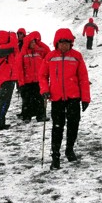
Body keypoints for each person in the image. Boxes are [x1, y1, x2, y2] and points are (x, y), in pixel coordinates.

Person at [39, 29, 91, 169]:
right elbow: (43, 76)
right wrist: (44, 90)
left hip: (74, 97)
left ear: (71, 43)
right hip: (57, 98)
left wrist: (85, 98)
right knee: (57, 127)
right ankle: (55, 156)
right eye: (62, 42)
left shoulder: (77, 56)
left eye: (67, 42)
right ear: (57, 43)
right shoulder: (50, 57)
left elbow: (83, 78)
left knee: (73, 125)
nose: (64, 45)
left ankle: (69, 149)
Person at [18, 30, 50, 123]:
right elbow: (20, 69)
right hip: (27, 82)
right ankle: (27, 117)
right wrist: (21, 82)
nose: (33, 43)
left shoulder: (39, 51)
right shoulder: (23, 54)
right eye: (32, 42)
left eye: (34, 42)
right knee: (27, 101)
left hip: (38, 81)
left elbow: (48, 51)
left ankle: (41, 116)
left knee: (40, 99)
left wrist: (39, 42)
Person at [0, 30, 19, 130]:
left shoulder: (1, 49)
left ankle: (0, 122)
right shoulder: (2, 49)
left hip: (7, 79)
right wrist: (13, 35)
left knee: (4, 102)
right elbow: (14, 47)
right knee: (4, 102)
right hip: (6, 80)